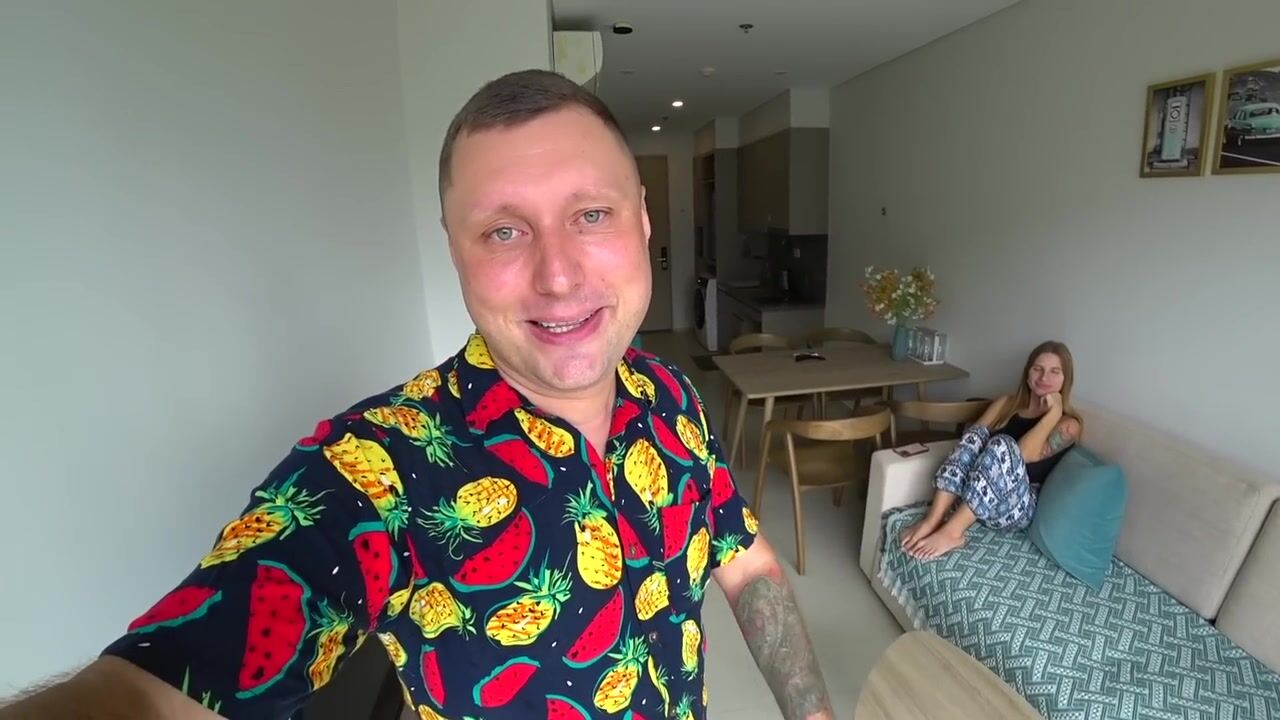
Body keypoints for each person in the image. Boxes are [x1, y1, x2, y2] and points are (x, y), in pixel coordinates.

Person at [0, 70, 834, 720]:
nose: (557, 274)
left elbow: (747, 563)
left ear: (643, 220)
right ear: (454, 247)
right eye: (503, 230)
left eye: (591, 214)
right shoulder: (378, 468)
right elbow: (157, 690)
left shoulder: (673, 395)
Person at [899, 341, 1083, 560]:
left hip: (1017, 508)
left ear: (1065, 380)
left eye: (1055, 371)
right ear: (1027, 373)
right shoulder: (1006, 404)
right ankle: (933, 520)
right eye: (1038, 369)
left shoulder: (1068, 425)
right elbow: (969, 443)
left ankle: (953, 532)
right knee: (975, 435)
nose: (1044, 377)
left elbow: (1022, 454)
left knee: (1003, 444)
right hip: (974, 497)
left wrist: (1053, 413)